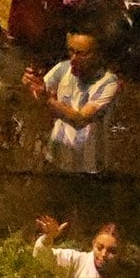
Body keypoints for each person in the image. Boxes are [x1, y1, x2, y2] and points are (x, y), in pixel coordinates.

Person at [25, 31, 118, 191]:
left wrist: (47, 98)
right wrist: (31, 83)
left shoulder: (108, 83)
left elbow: (81, 118)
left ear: (98, 55)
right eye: (71, 51)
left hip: (89, 168)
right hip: (56, 159)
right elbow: (39, 94)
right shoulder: (62, 69)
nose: (74, 59)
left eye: (81, 54)